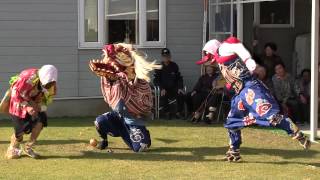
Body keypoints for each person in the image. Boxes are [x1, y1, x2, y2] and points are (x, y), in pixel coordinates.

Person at [196, 37, 311, 162]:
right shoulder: (221, 62)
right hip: (241, 93)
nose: (209, 63)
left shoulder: (223, 48)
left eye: (209, 58)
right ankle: (234, 152)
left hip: (251, 88)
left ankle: (297, 133)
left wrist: (248, 59)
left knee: (270, 115)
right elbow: (233, 78)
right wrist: (226, 84)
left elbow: (236, 45)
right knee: (232, 121)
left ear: (212, 51)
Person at [89, 43, 161, 152]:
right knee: (99, 122)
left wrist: (122, 80)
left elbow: (145, 105)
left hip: (133, 121)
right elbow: (112, 84)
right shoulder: (117, 76)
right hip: (119, 116)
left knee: (140, 147)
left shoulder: (141, 81)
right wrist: (111, 77)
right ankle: (104, 140)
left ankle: (141, 135)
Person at [5, 65, 58, 159]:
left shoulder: (51, 84)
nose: (47, 85)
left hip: (33, 102)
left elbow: (46, 97)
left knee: (41, 121)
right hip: (18, 103)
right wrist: (27, 107)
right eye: (46, 83)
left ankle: (28, 147)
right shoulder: (26, 77)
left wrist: (41, 106)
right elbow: (15, 93)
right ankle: (12, 148)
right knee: (21, 131)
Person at [153, 48, 185, 119]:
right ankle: (167, 113)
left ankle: (178, 112)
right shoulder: (158, 66)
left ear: (170, 56)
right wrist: (161, 88)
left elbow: (179, 78)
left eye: (167, 56)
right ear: (162, 57)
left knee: (181, 94)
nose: (166, 57)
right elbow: (156, 80)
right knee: (164, 94)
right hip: (164, 89)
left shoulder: (174, 65)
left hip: (174, 88)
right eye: (164, 56)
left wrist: (180, 87)